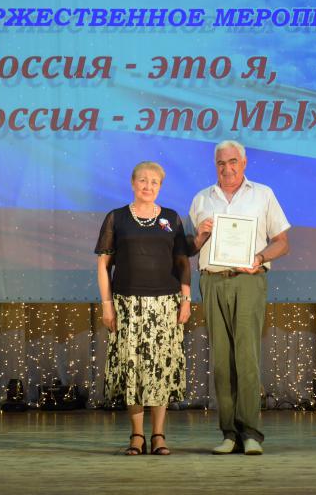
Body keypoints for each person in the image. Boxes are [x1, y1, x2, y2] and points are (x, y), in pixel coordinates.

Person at [188, 140, 290, 455]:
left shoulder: (263, 194)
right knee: (221, 361)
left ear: (243, 163)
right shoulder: (202, 199)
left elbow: (282, 242)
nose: (227, 168)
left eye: (233, 161)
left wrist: (259, 258)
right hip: (213, 281)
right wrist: (201, 235)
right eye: (221, 163)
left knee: (246, 358)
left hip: (248, 281)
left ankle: (250, 434)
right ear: (215, 165)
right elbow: (192, 248)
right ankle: (229, 433)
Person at [95, 161, 191, 455]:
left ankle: (158, 435)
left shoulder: (171, 218)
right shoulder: (117, 218)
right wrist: (107, 305)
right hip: (128, 305)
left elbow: (183, 262)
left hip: (165, 304)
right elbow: (103, 265)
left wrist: (186, 299)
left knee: (160, 370)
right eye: (143, 180)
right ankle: (137, 436)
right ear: (133, 183)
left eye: (154, 182)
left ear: (160, 186)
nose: (148, 186)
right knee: (132, 370)